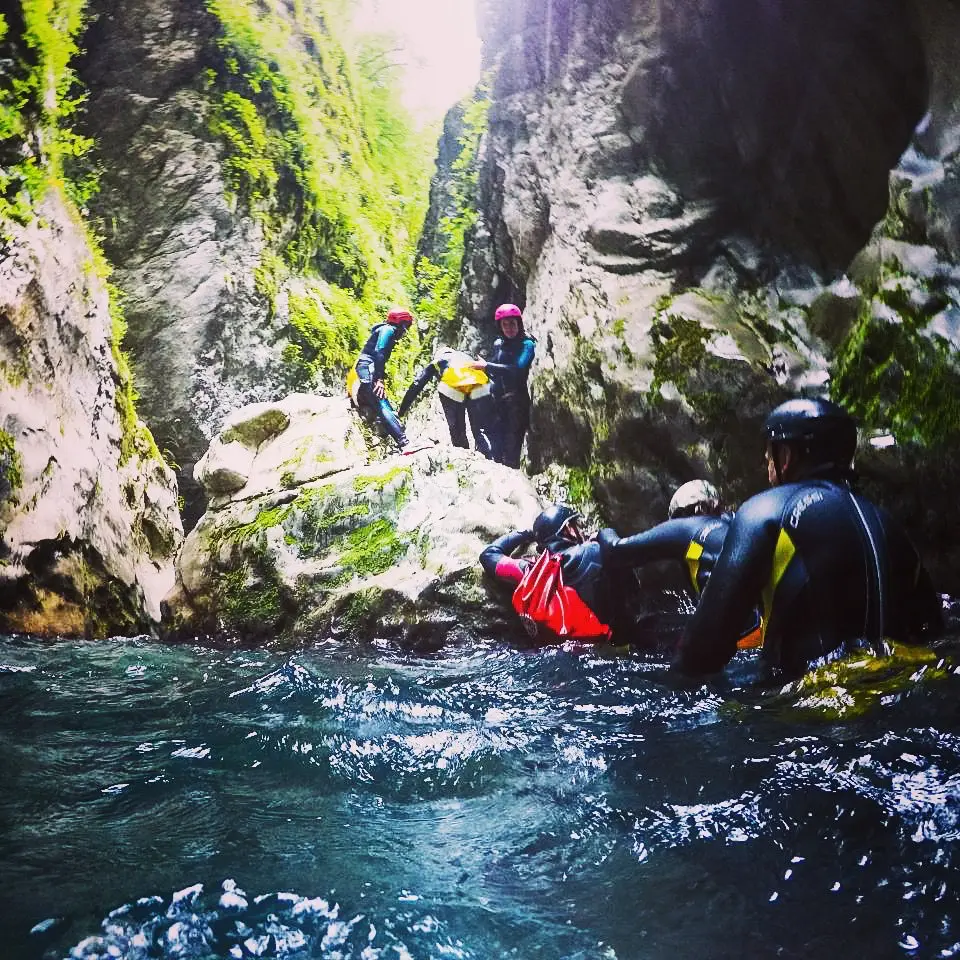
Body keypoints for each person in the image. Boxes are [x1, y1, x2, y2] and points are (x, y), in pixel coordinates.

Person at [673, 397, 943, 680]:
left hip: (809, 704)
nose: (766, 464)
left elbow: (704, 644)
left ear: (786, 457)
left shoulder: (766, 511)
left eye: (769, 455)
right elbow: (931, 628)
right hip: (899, 685)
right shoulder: (887, 523)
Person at [597, 479, 763, 649]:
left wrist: (601, 532)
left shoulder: (685, 528)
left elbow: (615, 550)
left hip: (741, 642)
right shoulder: (735, 521)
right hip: (764, 626)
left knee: (646, 633)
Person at [480, 504, 636, 643]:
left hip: (557, 656)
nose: (581, 530)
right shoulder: (596, 551)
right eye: (577, 526)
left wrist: (527, 533)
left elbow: (488, 556)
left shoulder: (532, 571)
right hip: (611, 648)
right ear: (568, 528)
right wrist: (603, 536)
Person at [347, 307, 432, 455]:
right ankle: (404, 444)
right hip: (366, 371)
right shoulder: (388, 330)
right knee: (382, 403)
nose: (405, 332)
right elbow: (379, 353)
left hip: (363, 373)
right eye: (406, 327)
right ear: (401, 323)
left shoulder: (384, 331)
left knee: (385, 406)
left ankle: (396, 443)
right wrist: (378, 379)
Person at [397, 346, 495, 458]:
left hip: (453, 386)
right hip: (478, 386)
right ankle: (489, 457)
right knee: (479, 430)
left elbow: (417, 383)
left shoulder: (438, 361)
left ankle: (462, 456)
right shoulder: (465, 356)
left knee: (457, 429)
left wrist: (402, 410)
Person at [471, 303, 536, 468]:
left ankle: (512, 475)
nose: (509, 328)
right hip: (498, 400)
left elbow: (517, 370)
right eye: (505, 325)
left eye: (512, 324)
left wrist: (486, 366)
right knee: (496, 442)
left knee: (512, 444)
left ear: (519, 324)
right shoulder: (499, 344)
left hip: (516, 402)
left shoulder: (527, 344)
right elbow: (495, 369)